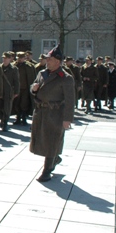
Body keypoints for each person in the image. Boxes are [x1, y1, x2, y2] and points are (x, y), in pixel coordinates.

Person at [29, 45, 75, 183]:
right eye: (47, 59)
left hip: (55, 113)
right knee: (42, 141)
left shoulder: (65, 78)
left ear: (58, 61)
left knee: (51, 142)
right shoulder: (42, 73)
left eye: (50, 59)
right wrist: (34, 88)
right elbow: (34, 87)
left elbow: (70, 100)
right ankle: (55, 158)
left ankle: (47, 170)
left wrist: (67, 119)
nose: (47, 61)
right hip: (41, 112)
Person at [0, 51, 19, 132]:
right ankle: (2, 119)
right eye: (3, 58)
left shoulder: (14, 69)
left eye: (6, 58)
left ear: (10, 59)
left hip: (8, 91)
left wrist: (16, 92)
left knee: (7, 107)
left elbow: (16, 81)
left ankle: (5, 123)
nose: (4, 60)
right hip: (0, 90)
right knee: (0, 107)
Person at [14, 52, 34, 125]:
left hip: (25, 88)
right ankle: (18, 118)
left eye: (21, 58)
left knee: (24, 104)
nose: (19, 59)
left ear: (24, 58)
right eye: (18, 58)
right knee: (17, 103)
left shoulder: (29, 66)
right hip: (17, 88)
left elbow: (32, 77)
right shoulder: (14, 66)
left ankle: (24, 118)